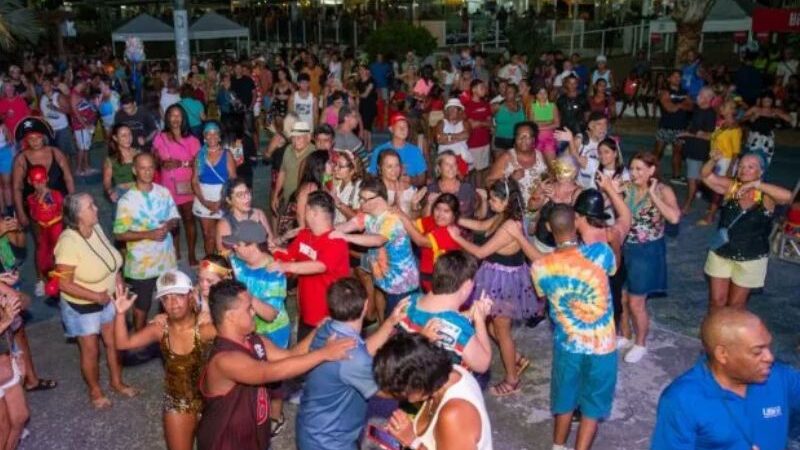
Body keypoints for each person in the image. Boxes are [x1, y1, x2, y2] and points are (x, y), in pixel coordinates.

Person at [196, 279, 355, 450]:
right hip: (225, 443)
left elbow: (289, 356)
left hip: (253, 438)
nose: (254, 312)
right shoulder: (224, 359)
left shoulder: (254, 340)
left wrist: (318, 330)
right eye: (249, 308)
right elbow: (269, 372)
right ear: (231, 317)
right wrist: (324, 354)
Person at [531, 204, 618, 450]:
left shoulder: (540, 268)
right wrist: (617, 241)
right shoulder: (601, 252)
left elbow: (542, 296)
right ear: (577, 223)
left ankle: (558, 446)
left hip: (568, 346)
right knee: (592, 407)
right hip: (603, 346)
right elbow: (614, 268)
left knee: (564, 400)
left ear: (548, 228)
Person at [651, 308, 800, 450]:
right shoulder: (681, 400)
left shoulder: (781, 377)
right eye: (757, 352)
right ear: (722, 354)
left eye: (769, 347)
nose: (770, 358)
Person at [448, 179, 538, 397]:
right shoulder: (502, 217)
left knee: (501, 330)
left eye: (494, 199)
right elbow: (481, 225)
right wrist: (456, 219)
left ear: (506, 201)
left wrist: (456, 237)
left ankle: (512, 380)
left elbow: (480, 252)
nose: (490, 202)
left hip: (505, 282)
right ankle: (516, 359)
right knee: (489, 327)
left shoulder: (510, 225)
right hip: (496, 277)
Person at [295, 277, 404, 450]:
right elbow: (388, 391)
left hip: (312, 428)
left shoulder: (329, 329)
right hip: (329, 441)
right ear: (366, 305)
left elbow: (362, 350)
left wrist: (390, 322)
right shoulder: (352, 357)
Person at [113, 270, 215, 450]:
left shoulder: (206, 327)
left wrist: (212, 313)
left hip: (213, 399)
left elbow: (240, 330)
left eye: (178, 296)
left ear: (190, 296)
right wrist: (120, 314)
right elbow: (122, 343)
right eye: (166, 298)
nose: (173, 303)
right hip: (177, 402)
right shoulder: (159, 329)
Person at [54, 192, 136, 408]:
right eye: (91, 207)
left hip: (107, 299)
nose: (96, 209)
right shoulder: (68, 242)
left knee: (113, 342)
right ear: (78, 215)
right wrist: (95, 296)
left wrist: (118, 281)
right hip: (82, 306)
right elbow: (63, 283)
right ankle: (95, 390)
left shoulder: (96, 228)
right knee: (91, 350)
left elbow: (111, 261)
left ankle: (117, 382)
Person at [700, 152, 792, 309]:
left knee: (736, 305)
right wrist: (713, 160)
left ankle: (730, 333)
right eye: (741, 166)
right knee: (716, 302)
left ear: (761, 171)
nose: (744, 170)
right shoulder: (732, 188)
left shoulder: (766, 195)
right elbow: (706, 176)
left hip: (751, 257)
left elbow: (788, 197)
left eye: (751, 167)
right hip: (722, 252)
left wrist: (756, 185)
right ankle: (714, 332)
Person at [374, 333, 493, 450]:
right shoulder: (451, 372)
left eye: (399, 394)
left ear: (418, 386)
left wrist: (412, 441)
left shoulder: (454, 415)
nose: (398, 398)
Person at [618, 152, 681, 363]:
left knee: (637, 302)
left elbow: (674, 217)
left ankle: (641, 343)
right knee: (623, 297)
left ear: (652, 170)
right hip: (624, 248)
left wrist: (653, 196)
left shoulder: (664, 190)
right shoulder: (626, 188)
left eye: (639, 169)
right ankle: (626, 335)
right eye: (632, 168)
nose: (634, 173)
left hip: (647, 252)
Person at [333, 177, 420, 319]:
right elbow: (346, 226)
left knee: (402, 328)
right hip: (386, 282)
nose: (360, 203)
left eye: (363, 199)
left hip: (402, 286)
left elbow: (377, 239)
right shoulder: (367, 216)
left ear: (378, 199)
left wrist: (345, 237)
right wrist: (324, 231)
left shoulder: (392, 219)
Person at [113, 152, 180, 331]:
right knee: (141, 307)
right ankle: (139, 342)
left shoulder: (163, 192)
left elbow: (175, 217)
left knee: (170, 302)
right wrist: (149, 234)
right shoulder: (127, 201)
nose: (147, 172)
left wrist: (169, 224)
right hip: (141, 266)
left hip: (166, 261)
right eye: (143, 168)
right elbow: (119, 234)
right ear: (135, 170)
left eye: (150, 167)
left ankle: (169, 337)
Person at [272, 191, 350, 341]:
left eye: (303, 208)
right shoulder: (304, 235)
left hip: (329, 319)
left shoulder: (336, 242)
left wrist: (287, 267)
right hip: (306, 315)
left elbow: (321, 266)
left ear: (312, 213)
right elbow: (290, 255)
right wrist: (272, 253)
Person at [12, 116, 74, 296]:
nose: (35, 142)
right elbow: (16, 188)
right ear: (26, 140)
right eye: (31, 139)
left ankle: (64, 277)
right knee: (41, 244)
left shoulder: (56, 152)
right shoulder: (21, 159)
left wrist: (72, 202)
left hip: (60, 208)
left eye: (38, 137)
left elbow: (68, 177)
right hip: (36, 210)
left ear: (43, 137)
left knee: (63, 243)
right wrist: (21, 214)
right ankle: (41, 278)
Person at [153, 104, 201, 266]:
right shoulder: (160, 137)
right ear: (167, 118)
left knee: (189, 219)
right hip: (167, 186)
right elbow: (154, 158)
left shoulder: (192, 139)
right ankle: (176, 251)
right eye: (172, 115)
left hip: (186, 185)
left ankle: (192, 254)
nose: (175, 119)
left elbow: (199, 162)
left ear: (184, 118)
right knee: (173, 221)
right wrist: (161, 162)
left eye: (178, 115)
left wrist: (182, 163)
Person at [191, 121, 236, 257]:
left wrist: (222, 201)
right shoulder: (199, 156)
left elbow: (233, 180)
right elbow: (194, 181)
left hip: (223, 197)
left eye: (215, 133)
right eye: (208, 134)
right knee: (208, 235)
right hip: (204, 198)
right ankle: (211, 264)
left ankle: (226, 264)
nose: (212, 137)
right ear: (204, 137)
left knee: (225, 235)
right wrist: (205, 203)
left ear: (219, 136)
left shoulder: (227, 154)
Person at [699, 100, 743, 225]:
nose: (721, 108)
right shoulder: (722, 123)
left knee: (718, 190)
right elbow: (713, 137)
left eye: (725, 106)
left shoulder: (735, 129)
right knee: (714, 187)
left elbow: (736, 152)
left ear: (732, 111)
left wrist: (730, 169)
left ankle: (711, 216)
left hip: (726, 161)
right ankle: (716, 211)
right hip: (717, 160)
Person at [486, 122, 548, 208]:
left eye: (527, 136)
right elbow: (489, 183)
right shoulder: (506, 157)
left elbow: (547, 177)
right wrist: (511, 179)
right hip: (514, 209)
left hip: (538, 206)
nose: (523, 139)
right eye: (519, 136)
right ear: (515, 138)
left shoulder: (540, 155)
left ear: (533, 139)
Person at [679, 87, 717, 214]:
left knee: (692, 179)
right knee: (697, 178)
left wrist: (687, 134)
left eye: (701, 95)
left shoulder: (710, 114)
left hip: (698, 150)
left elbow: (709, 135)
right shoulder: (698, 109)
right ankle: (707, 197)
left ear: (708, 98)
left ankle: (688, 205)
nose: (698, 96)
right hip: (692, 148)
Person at [271, 121, 316, 223]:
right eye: (293, 137)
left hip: (305, 204)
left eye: (299, 137)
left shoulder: (314, 153)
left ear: (308, 137)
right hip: (287, 200)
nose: (296, 141)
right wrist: (276, 195)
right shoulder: (288, 149)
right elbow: (282, 172)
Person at [25, 165, 63, 285]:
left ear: (47, 179)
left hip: (56, 227)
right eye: (36, 182)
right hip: (42, 229)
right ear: (30, 182)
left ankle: (61, 282)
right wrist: (40, 199)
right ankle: (44, 280)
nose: (40, 185)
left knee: (59, 254)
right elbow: (35, 216)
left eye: (42, 181)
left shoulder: (56, 194)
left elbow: (63, 211)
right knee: (42, 257)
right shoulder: (31, 198)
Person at [216, 178, 273, 255]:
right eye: (240, 195)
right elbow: (226, 256)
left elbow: (271, 242)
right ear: (229, 200)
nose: (247, 197)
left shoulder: (258, 214)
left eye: (247, 192)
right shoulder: (224, 224)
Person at [368, 113, 427, 187]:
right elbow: (373, 175)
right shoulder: (380, 150)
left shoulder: (415, 151)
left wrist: (410, 180)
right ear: (391, 129)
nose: (403, 129)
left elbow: (422, 179)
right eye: (399, 126)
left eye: (405, 127)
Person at [654, 70, 692, 183]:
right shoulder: (665, 92)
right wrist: (682, 104)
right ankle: (650, 173)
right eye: (675, 76)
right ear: (669, 79)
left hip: (680, 127)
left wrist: (677, 104)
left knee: (678, 153)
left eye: (679, 77)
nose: (677, 78)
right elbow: (669, 108)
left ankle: (676, 176)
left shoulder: (685, 92)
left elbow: (691, 107)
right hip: (665, 127)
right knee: (658, 152)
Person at [555, 112, 608, 190]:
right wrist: (571, 141)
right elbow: (564, 161)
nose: (603, 128)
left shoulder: (607, 142)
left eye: (605, 124)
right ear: (591, 126)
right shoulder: (580, 139)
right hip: (578, 185)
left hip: (596, 185)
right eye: (599, 124)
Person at [742, 91, 791, 168]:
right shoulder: (755, 109)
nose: (767, 103)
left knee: (766, 158)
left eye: (769, 101)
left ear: (772, 101)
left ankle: (761, 175)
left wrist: (779, 114)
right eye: (765, 100)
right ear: (761, 100)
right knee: (753, 157)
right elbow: (741, 118)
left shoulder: (774, 110)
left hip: (768, 138)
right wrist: (752, 117)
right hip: (755, 137)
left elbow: (789, 119)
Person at [463, 79, 492, 185]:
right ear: (474, 90)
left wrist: (479, 123)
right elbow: (471, 125)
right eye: (481, 87)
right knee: (471, 171)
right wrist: (483, 123)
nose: (484, 90)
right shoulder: (467, 105)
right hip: (472, 143)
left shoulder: (486, 104)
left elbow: (490, 123)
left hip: (485, 142)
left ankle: (480, 191)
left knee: (482, 170)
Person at [378, 149, 423, 217]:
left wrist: (414, 205)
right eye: (389, 166)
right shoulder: (374, 190)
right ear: (380, 168)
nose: (394, 170)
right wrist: (395, 202)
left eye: (397, 165)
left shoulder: (410, 189)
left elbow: (415, 219)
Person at [102, 124, 139, 204]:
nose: (128, 138)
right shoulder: (111, 160)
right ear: (115, 138)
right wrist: (110, 192)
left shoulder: (138, 154)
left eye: (129, 134)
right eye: (123, 136)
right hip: (121, 194)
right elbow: (106, 182)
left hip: (138, 192)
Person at [69, 78, 98, 175]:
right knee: (82, 148)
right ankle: (79, 169)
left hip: (85, 125)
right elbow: (75, 113)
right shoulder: (74, 95)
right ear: (80, 83)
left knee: (86, 147)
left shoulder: (78, 93)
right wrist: (85, 124)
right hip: (81, 127)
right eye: (84, 83)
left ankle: (86, 167)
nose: (85, 85)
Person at [435, 99, 472, 169]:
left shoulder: (465, 123)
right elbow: (439, 139)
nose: (451, 111)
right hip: (444, 157)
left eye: (454, 109)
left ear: (460, 111)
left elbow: (466, 135)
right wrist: (458, 138)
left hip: (461, 157)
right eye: (449, 109)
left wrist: (447, 137)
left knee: (461, 179)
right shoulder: (441, 122)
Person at [330, 150, 363, 226]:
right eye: (336, 164)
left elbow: (358, 220)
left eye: (340, 166)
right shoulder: (335, 182)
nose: (335, 168)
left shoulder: (358, 187)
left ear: (352, 171)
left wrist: (337, 202)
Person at [529, 84, 560, 164]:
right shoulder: (532, 107)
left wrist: (539, 125)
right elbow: (532, 124)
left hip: (549, 139)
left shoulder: (553, 106)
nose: (542, 95)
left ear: (547, 94)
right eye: (540, 93)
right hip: (536, 139)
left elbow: (557, 124)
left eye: (544, 93)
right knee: (538, 166)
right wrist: (549, 122)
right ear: (536, 95)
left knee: (552, 165)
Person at [492, 83, 525, 154]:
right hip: (500, 139)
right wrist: (492, 127)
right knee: (500, 164)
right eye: (506, 91)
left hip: (517, 140)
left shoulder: (521, 106)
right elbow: (486, 117)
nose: (507, 93)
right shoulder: (497, 106)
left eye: (510, 92)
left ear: (516, 94)